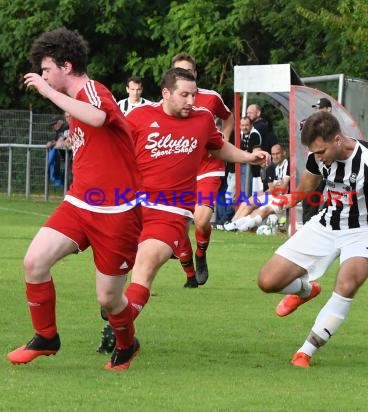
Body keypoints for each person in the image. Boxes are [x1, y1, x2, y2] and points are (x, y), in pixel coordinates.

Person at [108, 67, 267, 366]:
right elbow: (114, 147)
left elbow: (218, 147)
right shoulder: (139, 118)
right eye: (184, 94)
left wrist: (247, 157)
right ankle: (121, 325)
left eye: (194, 94)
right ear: (166, 93)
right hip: (131, 209)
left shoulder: (203, 119)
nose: (191, 100)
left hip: (170, 212)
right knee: (111, 286)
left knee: (145, 266)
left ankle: (118, 326)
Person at [6, 27, 143, 371]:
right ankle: (46, 336)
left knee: (109, 299)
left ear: (66, 67)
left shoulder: (93, 91)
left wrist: (50, 93)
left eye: (47, 69)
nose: (44, 76)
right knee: (34, 262)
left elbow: (98, 116)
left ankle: (126, 345)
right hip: (80, 204)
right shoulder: (73, 101)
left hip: (116, 212)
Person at [257, 111, 368, 368]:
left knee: (347, 283)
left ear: (338, 140)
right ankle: (306, 290)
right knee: (267, 281)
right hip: (326, 223)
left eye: (321, 152)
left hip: (363, 231)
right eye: (314, 153)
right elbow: (306, 188)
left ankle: (305, 352)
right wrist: (277, 204)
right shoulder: (318, 155)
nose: (317, 158)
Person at [171, 52, 235, 287]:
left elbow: (228, 118)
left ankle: (201, 253)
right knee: (178, 224)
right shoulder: (166, 104)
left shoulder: (210, 98)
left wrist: (222, 141)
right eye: (178, 72)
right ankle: (189, 272)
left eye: (188, 72)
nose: (184, 76)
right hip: (181, 169)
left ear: (195, 74)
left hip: (209, 166)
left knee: (201, 219)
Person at [224, 144, 290, 232]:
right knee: (247, 202)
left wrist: (275, 187)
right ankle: (233, 223)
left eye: (277, 154)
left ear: (283, 153)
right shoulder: (274, 167)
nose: (275, 156)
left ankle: (236, 226)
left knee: (252, 205)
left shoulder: (287, 165)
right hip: (272, 195)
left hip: (281, 197)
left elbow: (280, 189)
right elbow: (271, 188)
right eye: (273, 154)